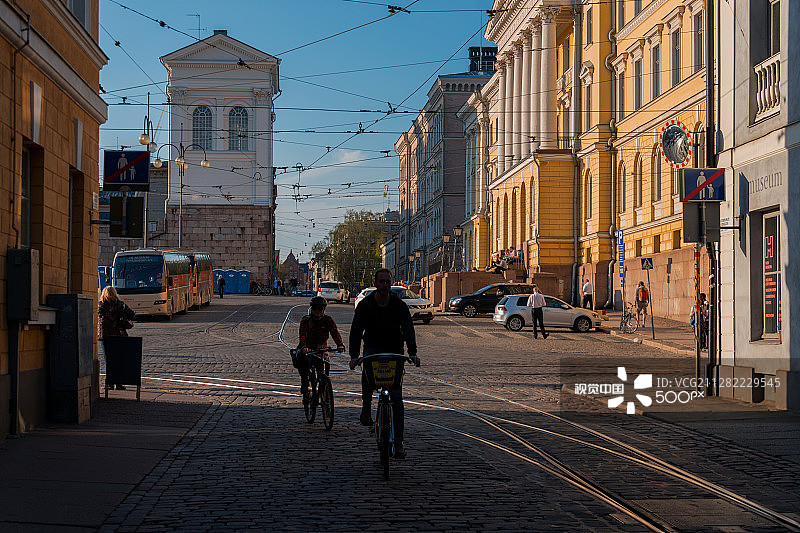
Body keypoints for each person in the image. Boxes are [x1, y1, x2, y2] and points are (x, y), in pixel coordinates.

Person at [349, 268, 420, 459]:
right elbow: (356, 330)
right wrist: (354, 356)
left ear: (391, 283)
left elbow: (408, 329)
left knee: (396, 397)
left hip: (394, 350)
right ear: (375, 283)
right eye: (381, 282)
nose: (385, 285)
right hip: (373, 348)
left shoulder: (398, 305)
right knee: (367, 373)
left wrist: (412, 353)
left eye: (388, 282)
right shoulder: (366, 305)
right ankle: (366, 407)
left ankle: (399, 442)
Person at [296, 296, 345, 404]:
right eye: (315, 308)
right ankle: (305, 388)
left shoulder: (328, 320)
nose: (317, 311)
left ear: (324, 309)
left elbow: (335, 333)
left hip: (321, 349)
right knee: (304, 364)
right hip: (308, 349)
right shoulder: (306, 321)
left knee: (326, 365)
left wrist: (340, 344)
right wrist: (304, 348)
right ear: (311, 309)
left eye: (320, 309)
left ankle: (323, 387)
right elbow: (302, 336)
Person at [97, 286, 136, 390]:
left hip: (105, 336)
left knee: (108, 360)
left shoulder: (100, 305)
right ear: (115, 293)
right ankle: (118, 383)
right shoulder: (120, 304)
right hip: (118, 334)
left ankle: (109, 383)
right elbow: (132, 315)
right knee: (118, 359)